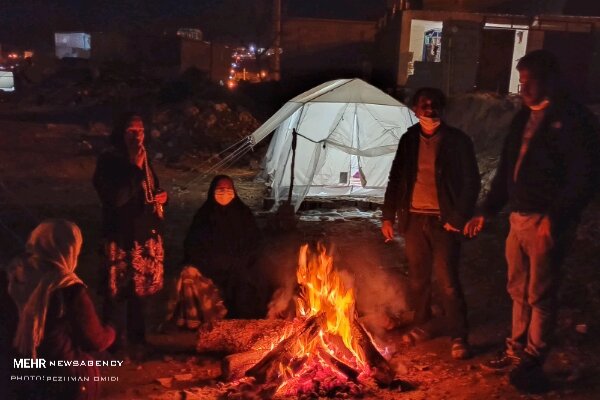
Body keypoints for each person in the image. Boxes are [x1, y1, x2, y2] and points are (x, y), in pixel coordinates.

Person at [464, 50, 598, 392]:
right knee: (516, 289)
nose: (523, 88)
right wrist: (487, 209)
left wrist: (556, 217)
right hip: (518, 218)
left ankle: (534, 358)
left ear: (549, 79)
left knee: (539, 293)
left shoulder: (571, 119)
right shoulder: (523, 116)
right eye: (521, 81)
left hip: (545, 221)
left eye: (530, 81)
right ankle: (516, 349)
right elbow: (508, 170)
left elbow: (583, 177)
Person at [381, 87, 480, 359]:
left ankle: (459, 335)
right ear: (415, 109)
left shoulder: (457, 141)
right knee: (418, 279)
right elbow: (396, 179)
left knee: (447, 280)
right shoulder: (409, 140)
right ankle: (421, 325)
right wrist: (388, 215)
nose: (429, 109)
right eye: (424, 104)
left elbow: (472, 182)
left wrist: (457, 218)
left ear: (442, 108)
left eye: (434, 104)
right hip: (414, 220)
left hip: (444, 222)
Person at [12, 219, 115, 400]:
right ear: (70, 248)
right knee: (95, 360)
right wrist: (112, 331)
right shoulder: (67, 287)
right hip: (58, 376)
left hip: (16, 368)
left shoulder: (12, 278)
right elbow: (94, 340)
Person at [93, 112, 167, 357]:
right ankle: (113, 343)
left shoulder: (143, 157)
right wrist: (134, 168)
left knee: (140, 292)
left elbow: (149, 187)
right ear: (120, 133)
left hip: (143, 234)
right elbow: (116, 198)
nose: (138, 136)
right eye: (131, 131)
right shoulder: (110, 160)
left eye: (141, 131)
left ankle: (138, 340)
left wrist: (162, 196)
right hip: (120, 236)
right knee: (117, 292)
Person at [183, 175, 263, 319]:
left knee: (247, 283)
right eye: (220, 189)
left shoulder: (243, 214)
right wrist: (212, 262)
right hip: (210, 267)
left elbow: (255, 243)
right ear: (212, 191)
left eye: (228, 189)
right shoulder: (204, 216)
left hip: (239, 266)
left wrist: (240, 261)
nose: (225, 192)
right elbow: (193, 245)